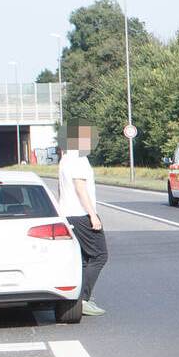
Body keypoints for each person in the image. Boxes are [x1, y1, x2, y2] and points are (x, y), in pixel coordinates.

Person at [57, 126, 108, 317]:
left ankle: (82, 297)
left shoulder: (65, 159)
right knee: (99, 255)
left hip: (68, 214)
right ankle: (83, 299)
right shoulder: (79, 159)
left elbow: (62, 189)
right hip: (80, 214)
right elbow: (80, 189)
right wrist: (92, 215)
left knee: (85, 258)